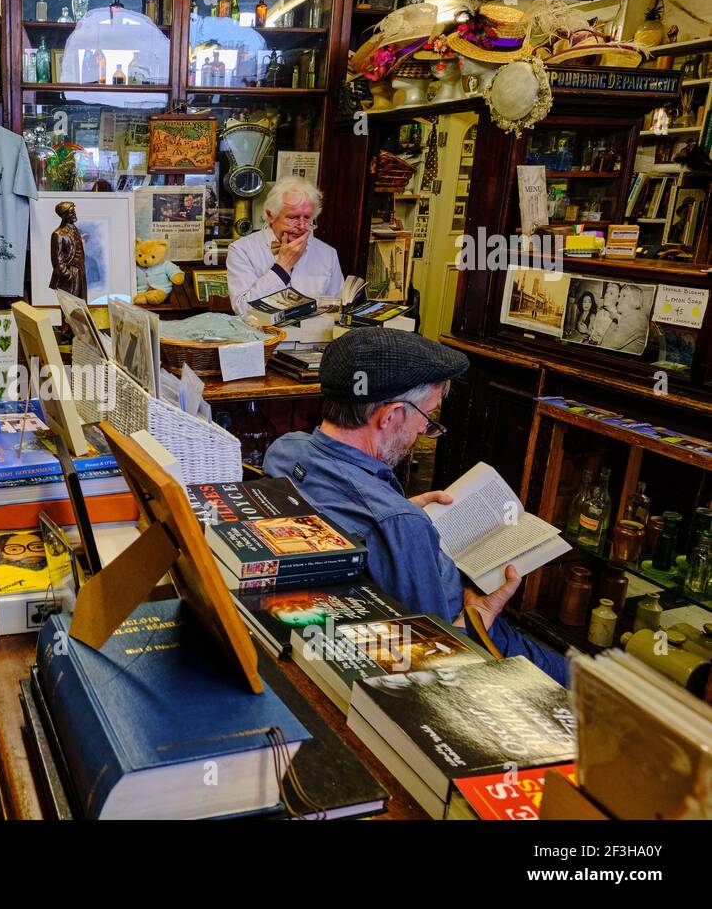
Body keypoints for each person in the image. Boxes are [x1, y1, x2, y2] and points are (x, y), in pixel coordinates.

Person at [262, 327, 568, 685]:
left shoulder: (285, 451)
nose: (424, 430)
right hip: (457, 646)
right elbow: (432, 658)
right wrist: (482, 612)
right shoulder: (399, 524)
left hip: (322, 625)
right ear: (390, 416)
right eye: (428, 416)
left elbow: (341, 519)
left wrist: (390, 510)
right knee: (589, 687)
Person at [226, 175, 344, 317]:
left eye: (307, 218)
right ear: (271, 216)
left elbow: (337, 310)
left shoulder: (327, 254)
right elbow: (243, 310)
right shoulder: (242, 250)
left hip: (313, 337)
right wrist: (282, 267)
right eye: (293, 217)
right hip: (265, 337)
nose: (301, 226)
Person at [599, 283, 650, 354]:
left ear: (634, 299)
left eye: (624, 296)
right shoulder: (633, 314)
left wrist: (615, 319)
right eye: (619, 296)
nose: (618, 300)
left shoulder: (635, 318)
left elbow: (606, 344)